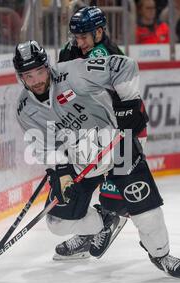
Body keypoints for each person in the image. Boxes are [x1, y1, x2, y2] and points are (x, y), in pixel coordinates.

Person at [13, 40, 180, 279]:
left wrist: (129, 103)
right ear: (20, 78)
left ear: (48, 66)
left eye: (39, 71)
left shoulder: (72, 72)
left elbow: (124, 65)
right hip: (79, 160)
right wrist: (60, 171)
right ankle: (103, 221)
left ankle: (161, 254)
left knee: (145, 210)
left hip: (117, 144)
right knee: (57, 222)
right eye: (28, 75)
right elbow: (42, 145)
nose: (36, 80)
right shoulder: (25, 109)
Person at [56, 6, 132, 261]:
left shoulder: (112, 56)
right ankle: (89, 228)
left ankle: (110, 217)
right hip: (79, 130)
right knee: (77, 189)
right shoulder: (69, 52)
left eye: (85, 36)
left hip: (110, 132)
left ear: (100, 31)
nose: (80, 42)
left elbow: (124, 100)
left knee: (114, 190)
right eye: (77, 37)